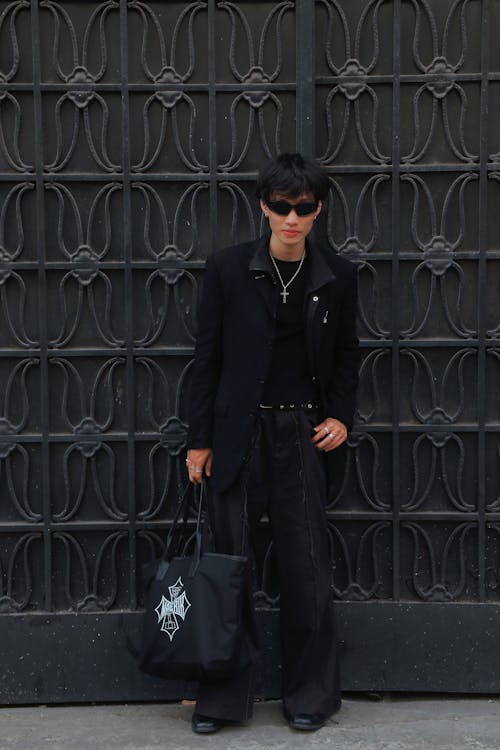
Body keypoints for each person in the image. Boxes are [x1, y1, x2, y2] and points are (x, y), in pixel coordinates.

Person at [185, 153, 359, 734]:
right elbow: (205, 360)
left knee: (306, 566)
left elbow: (347, 357)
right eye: (281, 207)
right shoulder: (228, 269)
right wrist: (199, 441)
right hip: (238, 433)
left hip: (300, 434)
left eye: (303, 208)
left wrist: (340, 417)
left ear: (318, 210)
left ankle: (309, 696)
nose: (291, 218)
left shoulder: (336, 275)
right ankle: (222, 700)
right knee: (228, 564)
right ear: (263, 206)